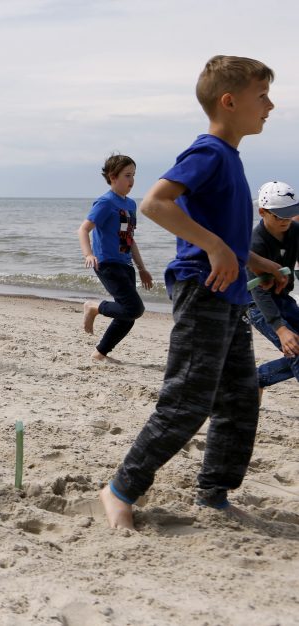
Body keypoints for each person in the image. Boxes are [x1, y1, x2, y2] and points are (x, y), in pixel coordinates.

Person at [99, 55, 286, 531]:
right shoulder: (208, 152)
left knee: (240, 400)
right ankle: (120, 488)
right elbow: (155, 203)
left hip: (230, 295)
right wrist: (218, 247)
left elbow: (220, 232)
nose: (271, 105)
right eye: (262, 95)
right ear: (230, 101)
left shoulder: (229, 157)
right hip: (202, 290)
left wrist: (257, 262)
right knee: (187, 400)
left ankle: (213, 492)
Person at [77, 154, 153, 362]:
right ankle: (93, 307)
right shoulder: (105, 202)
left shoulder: (130, 205)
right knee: (134, 308)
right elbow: (83, 230)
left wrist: (142, 268)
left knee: (127, 315)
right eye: (127, 175)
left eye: (134, 175)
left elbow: (130, 240)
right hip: (107, 263)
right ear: (113, 177)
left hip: (125, 264)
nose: (132, 180)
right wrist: (89, 254)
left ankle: (100, 354)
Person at [245, 181, 299, 399]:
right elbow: (258, 293)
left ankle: (258, 378)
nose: (285, 220)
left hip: (283, 298)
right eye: (279, 216)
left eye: (290, 214)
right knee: (295, 349)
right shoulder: (255, 243)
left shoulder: (294, 231)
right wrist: (280, 329)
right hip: (257, 305)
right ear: (262, 212)